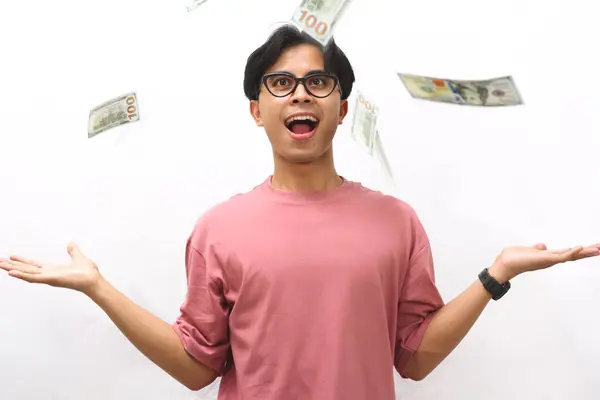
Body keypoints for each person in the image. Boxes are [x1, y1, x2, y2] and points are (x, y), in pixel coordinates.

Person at [1, 25, 598, 400]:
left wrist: (498, 274)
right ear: (256, 110)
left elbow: (413, 358)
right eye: (280, 83)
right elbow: (194, 368)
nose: (301, 93)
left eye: (318, 81)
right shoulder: (219, 228)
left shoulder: (397, 221)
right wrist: (98, 289)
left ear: (341, 106)